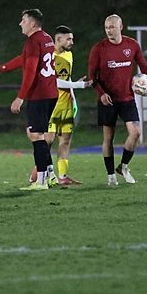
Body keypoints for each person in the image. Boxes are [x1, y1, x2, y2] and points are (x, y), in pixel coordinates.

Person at [0, 8, 58, 191]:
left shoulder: (33, 41)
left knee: (36, 135)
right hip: (51, 93)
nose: (20, 23)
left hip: (39, 95)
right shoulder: (46, 38)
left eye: (24, 20)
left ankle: (41, 181)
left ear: (33, 23)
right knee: (37, 134)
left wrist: (20, 97)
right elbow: (24, 59)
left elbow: (30, 71)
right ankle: (50, 175)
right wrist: (0, 69)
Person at [88, 14, 147, 186]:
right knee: (108, 139)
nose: (109, 30)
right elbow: (91, 76)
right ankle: (111, 175)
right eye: (106, 27)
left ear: (120, 26)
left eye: (112, 27)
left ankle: (123, 167)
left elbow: (143, 65)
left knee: (136, 132)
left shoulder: (132, 45)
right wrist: (101, 93)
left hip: (127, 98)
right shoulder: (99, 48)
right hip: (107, 100)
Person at [47, 25, 91, 186]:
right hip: (51, 104)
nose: (72, 42)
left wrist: (74, 91)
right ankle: (40, 175)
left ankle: (63, 176)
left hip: (66, 105)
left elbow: (66, 78)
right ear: (58, 39)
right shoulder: (49, 56)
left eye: (72, 38)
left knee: (65, 140)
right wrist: (80, 86)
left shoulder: (69, 55)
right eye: (68, 39)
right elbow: (54, 82)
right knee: (47, 142)